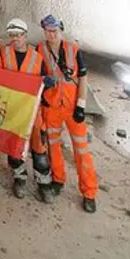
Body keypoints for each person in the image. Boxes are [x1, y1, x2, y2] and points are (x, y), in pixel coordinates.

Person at [37, 15, 98, 212]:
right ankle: (58, 180)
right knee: (53, 146)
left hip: (72, 108)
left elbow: (83, 78)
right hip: (52, 107)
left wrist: (81, 106)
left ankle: (89, 192)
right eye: (47, 31)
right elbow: (37, 74)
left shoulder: (73, 50)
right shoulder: (40, 49)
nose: (51, 34)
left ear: (60, 31)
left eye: (54, 31)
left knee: (81, 150)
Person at [1, 19, 54, 202]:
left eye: (19, 35)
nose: (16, 39)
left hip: (33, 111)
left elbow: (44, 80)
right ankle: (19, 178)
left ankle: (44, 183)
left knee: (39, 148)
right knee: (15, 147)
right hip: (14, 110)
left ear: (25, 36)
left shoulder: (37, 58)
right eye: (12, 36)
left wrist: (46, 83)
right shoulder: (4, 53)